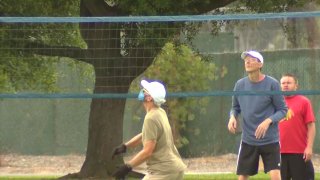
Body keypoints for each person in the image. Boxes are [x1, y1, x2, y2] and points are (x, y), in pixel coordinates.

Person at [228, 50, 288, 180]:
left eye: (252, 59)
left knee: (276, 176)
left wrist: (268, 121)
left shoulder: (272, 84)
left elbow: (283, 110)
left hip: (270, 140)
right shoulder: (239, 85)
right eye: (246, 60)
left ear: (260, 64)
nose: (247, 61)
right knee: (242, 177)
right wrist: (232, 117)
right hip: (248, 140)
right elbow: (235, 108)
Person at [112, 79, 187, 180]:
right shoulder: (160, 112)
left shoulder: (151, 118)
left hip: (163, 172)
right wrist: (125, 146)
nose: (142, 92)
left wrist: (127, 167)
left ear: (149, 98)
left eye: (144, 91)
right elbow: (146, 135)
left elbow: (148, 151)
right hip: (175, 169)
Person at [279, 73, 316, 180]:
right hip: (278, 152)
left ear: (296, 86)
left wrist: (309, 147)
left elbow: (311, 126)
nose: (285, 85)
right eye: (283, 83)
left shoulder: (304, 101)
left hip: (299, 152)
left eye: (289, 83)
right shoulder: (275, 102)